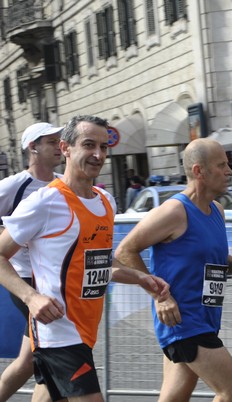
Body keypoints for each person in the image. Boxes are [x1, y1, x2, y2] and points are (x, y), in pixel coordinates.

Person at [0, 115, 170, 402]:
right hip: (58, 332)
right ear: (66, 148)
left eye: (104, 147)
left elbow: (101, 262)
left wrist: (142, 278)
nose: (98, 154)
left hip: (85, 329)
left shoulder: (106, 202)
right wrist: (31, 298)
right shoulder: (45, 201)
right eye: (89, 145)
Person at [114, 138, 232, 402]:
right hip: (183, 321)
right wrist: (160, 296)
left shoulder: (217, 210)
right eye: (221, 165)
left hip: (206, 318)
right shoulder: (174, 211)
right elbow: (125, 251)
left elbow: (214, 261)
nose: (230, 171)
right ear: (199, 171)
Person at [0, 122, 63, 402]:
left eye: (59, 141)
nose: (58, 147)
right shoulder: (16, 184)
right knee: (53, 359)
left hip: (57, 280)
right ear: (32, 147)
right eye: (50, 142)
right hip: (26, 281)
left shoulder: (63, 183)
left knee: (29, 362)